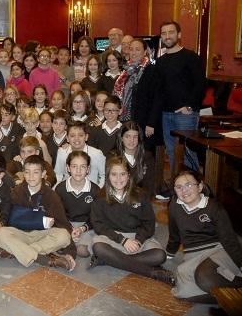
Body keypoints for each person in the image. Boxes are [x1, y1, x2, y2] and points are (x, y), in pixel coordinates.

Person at [89, 156, 174, 285]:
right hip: (113, 237)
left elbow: (149, 224)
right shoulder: (100, 197)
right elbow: (99, 226)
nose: (118, 179)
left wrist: (138, 240)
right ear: (108, 176)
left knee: (159, 255)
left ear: (128, 175)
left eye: (122, 174)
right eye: (114, 174)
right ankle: (153, 273)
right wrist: (123, 240)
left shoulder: (140, 194)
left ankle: (109, 260)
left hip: (136, 238)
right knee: (98, 247)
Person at [167, 170, 242, 303]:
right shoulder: (174, 206)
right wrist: (170, 251)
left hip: (218, 249)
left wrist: (240, 264)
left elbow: (229, 239)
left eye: (189, 185)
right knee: (183, 292)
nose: (184, 190)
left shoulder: (213, 207)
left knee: (204, 277)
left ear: (200, 186)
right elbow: (174, 232)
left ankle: (238, 282)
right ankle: (229, 296)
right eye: (179, 187)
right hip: (193, 254)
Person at [0, 155, 76, 270]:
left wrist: (70, 253)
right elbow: (6, 215)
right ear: (23, 174)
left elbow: (64, 224)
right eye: (27, 172)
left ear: (43, 174)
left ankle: (16, 252)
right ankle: (45, 259)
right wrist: (0, 224)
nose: (31, 176)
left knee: (64, 235)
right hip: (21, 234)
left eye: (36, 172)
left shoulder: (51, 196)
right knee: (0, 233)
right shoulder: (16, 192)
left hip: (41, 235)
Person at [152, 21, 205, 173]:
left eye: (171, 32)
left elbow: (200, 84)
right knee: (172, 152)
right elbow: (159, 90)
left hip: (185, 114)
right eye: (164, 33)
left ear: (179, 34)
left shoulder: (190, 57)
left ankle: (194, 189)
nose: (167, 36)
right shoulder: (160, 62)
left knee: (188, 153)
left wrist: (190, 107)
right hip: (165, 114)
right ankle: (178, 188)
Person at [114, 38, 161, 151]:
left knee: (143, 152)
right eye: (131, 49)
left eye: (137, 49)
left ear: (145, 52)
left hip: (144, 121)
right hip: (126, 118)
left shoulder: (151, 70)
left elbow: (158, 98)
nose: (133, 52)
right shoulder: (126, 70)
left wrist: (151, 123)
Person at [53, 150, 100, 258]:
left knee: (82, 251)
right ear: (68, 168)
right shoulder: (60, 189)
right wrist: (70, 229)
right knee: (58, 242)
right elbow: (58, 214)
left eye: (83, 166)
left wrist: (82, 229)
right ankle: (67, 245)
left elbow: (96, 217)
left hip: (87, 227)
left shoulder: (95, 190)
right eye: (74, 166)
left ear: (88, 169)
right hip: (66, 225)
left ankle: (71, 247)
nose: (78, 170)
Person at [54, 121, 105, 188]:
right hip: (67, 190)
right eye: (72, 136)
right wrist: (57, 189)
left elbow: (103, 175)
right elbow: (59, 174)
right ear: (67, 138)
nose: (76, 139)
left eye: (80, 135)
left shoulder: (96, 154)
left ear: (86, 137)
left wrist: (98, 190)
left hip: (91, 192)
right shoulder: (62, 152)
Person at [117, 121, 157, 202]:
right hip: (120, 199)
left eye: (135, 137)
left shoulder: (147, 157)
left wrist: (144, 203)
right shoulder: (114, 157)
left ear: (139, 138)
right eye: (127, 136)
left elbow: (149, 184)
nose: (131, 140)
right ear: (121, 138)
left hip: (141, 199)